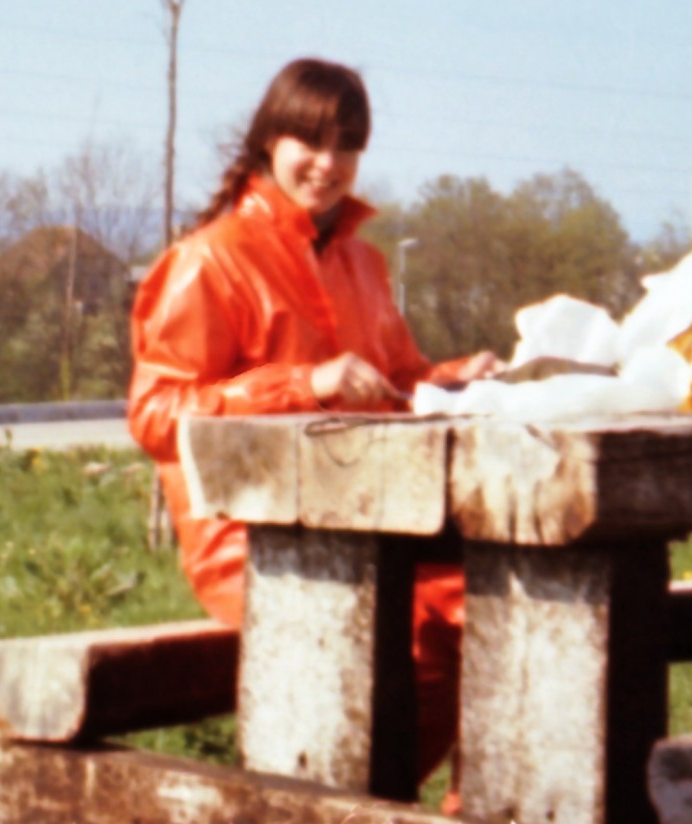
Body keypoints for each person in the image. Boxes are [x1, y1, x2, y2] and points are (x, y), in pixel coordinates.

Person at [127, 57, 493, 809]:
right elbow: (156, 416)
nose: (328, 165)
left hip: (376, 520)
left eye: (348, 145)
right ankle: (361, 803)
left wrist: (460, 377)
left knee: (503, 606)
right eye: (309, 140)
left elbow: (397, 382)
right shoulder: (209, 260)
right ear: (270, 141)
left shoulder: (360, 260)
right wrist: (303, 383)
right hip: (252, 538)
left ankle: (468, 805)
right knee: (420, 630)